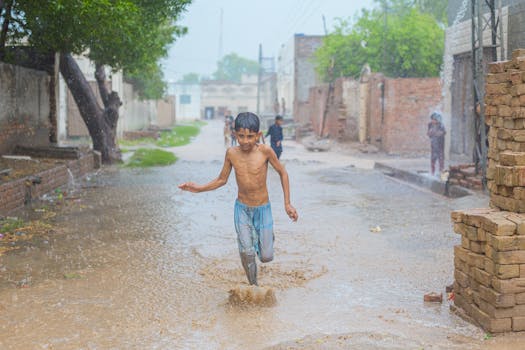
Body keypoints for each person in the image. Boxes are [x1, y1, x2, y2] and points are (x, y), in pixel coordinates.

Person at [179, 112, 298, 286]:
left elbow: (282, 172)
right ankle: (254, 286)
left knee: (266, 257)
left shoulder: (265, 151)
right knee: (247, 252)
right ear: (235, 134)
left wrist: (287, 203)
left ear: (258, 135)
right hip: (242, 208)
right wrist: (198, 188)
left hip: (263, 208)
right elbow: (222, 179)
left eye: (250, 136)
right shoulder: (231, 153)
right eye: (241, 136)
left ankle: (266, 239)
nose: (245, 141)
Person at [427, 111, 446, 176]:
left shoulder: (441, 125)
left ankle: (441, 172)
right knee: (433, 159)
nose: (433, 121)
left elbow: (442, 133)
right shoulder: (430, 125)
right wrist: (431, 133)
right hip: (433, 145)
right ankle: (432, 172)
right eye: (432, 119)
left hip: (440, 145)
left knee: (441, 159)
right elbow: (429, 134)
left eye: (434, 119)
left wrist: (435, 133)